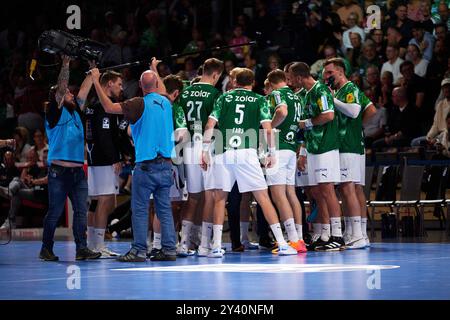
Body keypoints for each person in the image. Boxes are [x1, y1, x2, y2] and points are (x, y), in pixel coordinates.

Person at [201, 68, 297, 257]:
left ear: (235, 82)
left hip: (223, 151)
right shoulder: (260, 99)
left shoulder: (224, 98)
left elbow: (210, 125)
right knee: (263, 198)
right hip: (247, 153)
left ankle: (216, 246)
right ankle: (282, 243)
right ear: (252, 83)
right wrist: (271, 153)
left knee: (220, 199)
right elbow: (268, 130)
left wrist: (204, 152)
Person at [90, 58, 178, 262]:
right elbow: (162, 89)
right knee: (164, 209)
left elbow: (110, 107)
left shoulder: (138, 103)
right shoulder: (166, 102)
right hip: (166, 165)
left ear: (140, 86)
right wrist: (154, 68)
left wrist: (96, 81)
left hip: (146, 167)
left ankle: (139, 251)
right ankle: (169, 249)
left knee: (139, 209)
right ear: (157, 84)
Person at [40, 56, 101, 261]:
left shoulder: (76, 112)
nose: (72, 94)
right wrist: (65, 65)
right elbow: (61, 87)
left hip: (77, 172)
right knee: (55, 213)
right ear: (58, 96)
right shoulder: (54, 112)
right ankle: (46, 249)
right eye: (67, 93)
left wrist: (93, 72)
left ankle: (81, 249)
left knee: (81, 212)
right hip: (59, 172)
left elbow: (84, 90)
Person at [173, 58, 224, 257]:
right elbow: (214, 125)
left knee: (193, 197)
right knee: (210, 196)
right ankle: (205, 244)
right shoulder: (216, 94)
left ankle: (184, 242)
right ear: (216, 74)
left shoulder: (184, 92)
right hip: (207, 145)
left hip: (188, 146)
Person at [323, 58, 375, 249]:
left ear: (340, 71)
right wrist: (358, 128)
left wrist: (332, 100)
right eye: (325, 73)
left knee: (347, 188)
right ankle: (358, 233)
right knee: (355, 188)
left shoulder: (349, 88)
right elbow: (371, 109)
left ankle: (357, 235)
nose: (326, 76)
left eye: (330, 73)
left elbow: (354, 112)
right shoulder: (344, 90)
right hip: (351, 143)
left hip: (348, 145)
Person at [295, 62, 345, 251]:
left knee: (328, 190)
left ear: (300, 77)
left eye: (292, 79)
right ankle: (325, 234)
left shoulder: (321, 90)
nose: (292, 83)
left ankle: (338, 236)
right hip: (315, 147)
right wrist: (304, 152)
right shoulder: (308, 94)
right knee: (320, 193)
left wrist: (306, 123)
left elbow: (329, 115)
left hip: (326, 146)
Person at [85, 70, 127, 258]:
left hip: (94, 159)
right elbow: (104, 136)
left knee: (95, 202)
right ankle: (99, 246)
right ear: (109, 84)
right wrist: (115, 158)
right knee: (106, 201)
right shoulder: (102, 108)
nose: (121, 87)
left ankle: (92, 244)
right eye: (118, 84)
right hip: (104, 160)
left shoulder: (92, 106)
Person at [266, 69, 306, 253]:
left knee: (278, 194)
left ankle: (292, 240)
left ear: (271, 83)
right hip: (291, 148)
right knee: (291, 193)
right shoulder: (297, 96)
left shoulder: (276, 94)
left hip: (279, 147)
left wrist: (268, 126)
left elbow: (281, 111)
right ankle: (299, 238)